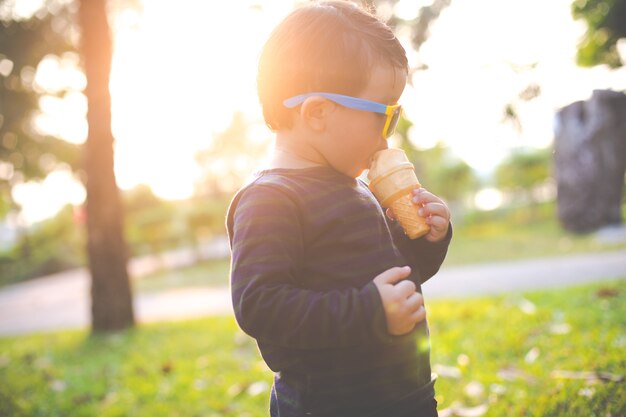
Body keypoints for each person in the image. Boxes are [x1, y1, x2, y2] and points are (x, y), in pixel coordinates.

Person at [226, 1, 452, 416]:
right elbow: (261, 305)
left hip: (404, 394)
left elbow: (397, 278)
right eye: (386, 114)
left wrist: (428, 240)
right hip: (331, 403)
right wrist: (368, 311)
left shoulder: (356, 187)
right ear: (317, 113)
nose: (391, 132)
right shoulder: (270, 200)